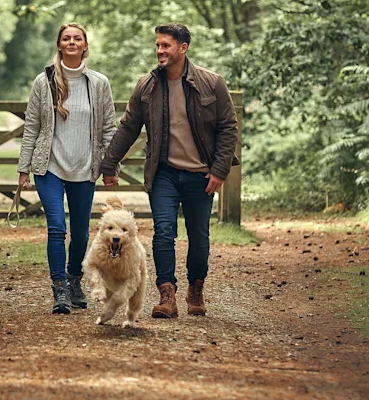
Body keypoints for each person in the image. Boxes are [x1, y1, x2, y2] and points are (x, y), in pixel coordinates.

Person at [101, 24, 238, 318]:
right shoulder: (147, 86)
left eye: (166, 46)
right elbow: (128, 128)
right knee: (164, 232)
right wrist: (109, 165)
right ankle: (167, 294)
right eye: (158, 46)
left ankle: (196, 288)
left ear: (183, 48)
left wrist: (219, 170)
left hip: (202, 174)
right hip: (164, 172)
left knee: (199, 236)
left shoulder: (212, 83)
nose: (160, 51)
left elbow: (229, 128)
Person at [17, 23, 117, 314]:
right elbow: (32, 127)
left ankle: (74, 279)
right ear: (59, 45)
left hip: (85, 167)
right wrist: (24, 168)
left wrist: (111, 166)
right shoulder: (43, 81)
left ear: (85, 45)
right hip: (49, 166)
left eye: (77, 38)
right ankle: (59, 289)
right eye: (66, 38)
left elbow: (109, 129)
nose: (72, 42)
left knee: (82, 234)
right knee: (57, 228)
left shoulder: (99, 83)